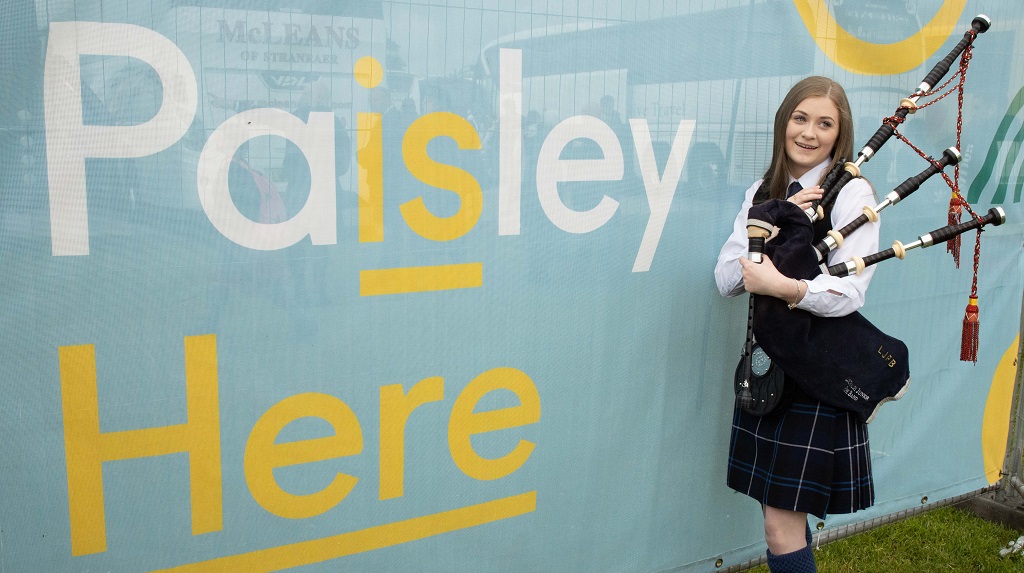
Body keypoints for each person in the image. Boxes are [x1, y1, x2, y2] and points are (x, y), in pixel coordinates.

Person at [714, 76, 880, 572]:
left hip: (815, 374)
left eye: (825, 124)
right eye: (800, 118)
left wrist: (784, 286)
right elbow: (726, 279)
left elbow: (850, 293)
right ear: (784, 123)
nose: (809, 133)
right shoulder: (762, 192)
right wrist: (772, 220)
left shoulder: (853, 194)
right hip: (769, 371)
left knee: (778, 525)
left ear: (840, 133)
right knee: (780, 514)